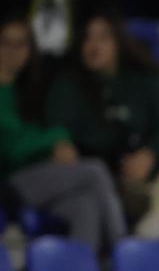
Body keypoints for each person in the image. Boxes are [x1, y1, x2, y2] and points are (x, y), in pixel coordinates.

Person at [45, 13, 159, 250]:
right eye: (87, 39)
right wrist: (61, 143)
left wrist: (150, 154)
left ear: (119, 42)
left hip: (148, 184)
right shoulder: (68, 84)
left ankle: (150, 232)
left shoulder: (145, 80)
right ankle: (154, 247)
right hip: (106, 185)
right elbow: (56, 128)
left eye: (103, 38)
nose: (94, 46)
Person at [0, 16, 125, 252]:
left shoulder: (26, 89)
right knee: (95, 170)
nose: (13, 51)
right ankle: (123, 253)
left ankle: (83, 270)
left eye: (21, 44)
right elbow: (11, 147)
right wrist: (54, 141)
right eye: (5, 42)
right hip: (9, 184)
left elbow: (41, 131)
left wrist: (59, 142)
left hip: (39, 178)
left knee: (85, 204)